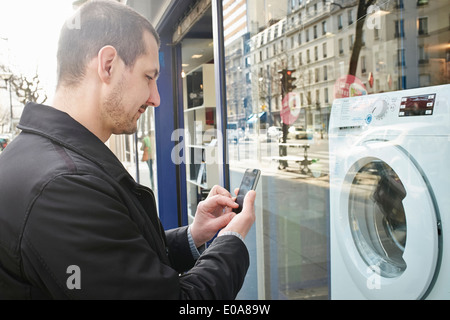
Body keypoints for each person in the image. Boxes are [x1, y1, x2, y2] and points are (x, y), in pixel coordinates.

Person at [0, 0, 256, 299]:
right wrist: (231, 240)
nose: (156, 98)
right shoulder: (64, 186)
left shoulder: (47, 160)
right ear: (108, 64)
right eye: (149, 77)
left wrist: (194, 234)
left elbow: (120, 267)